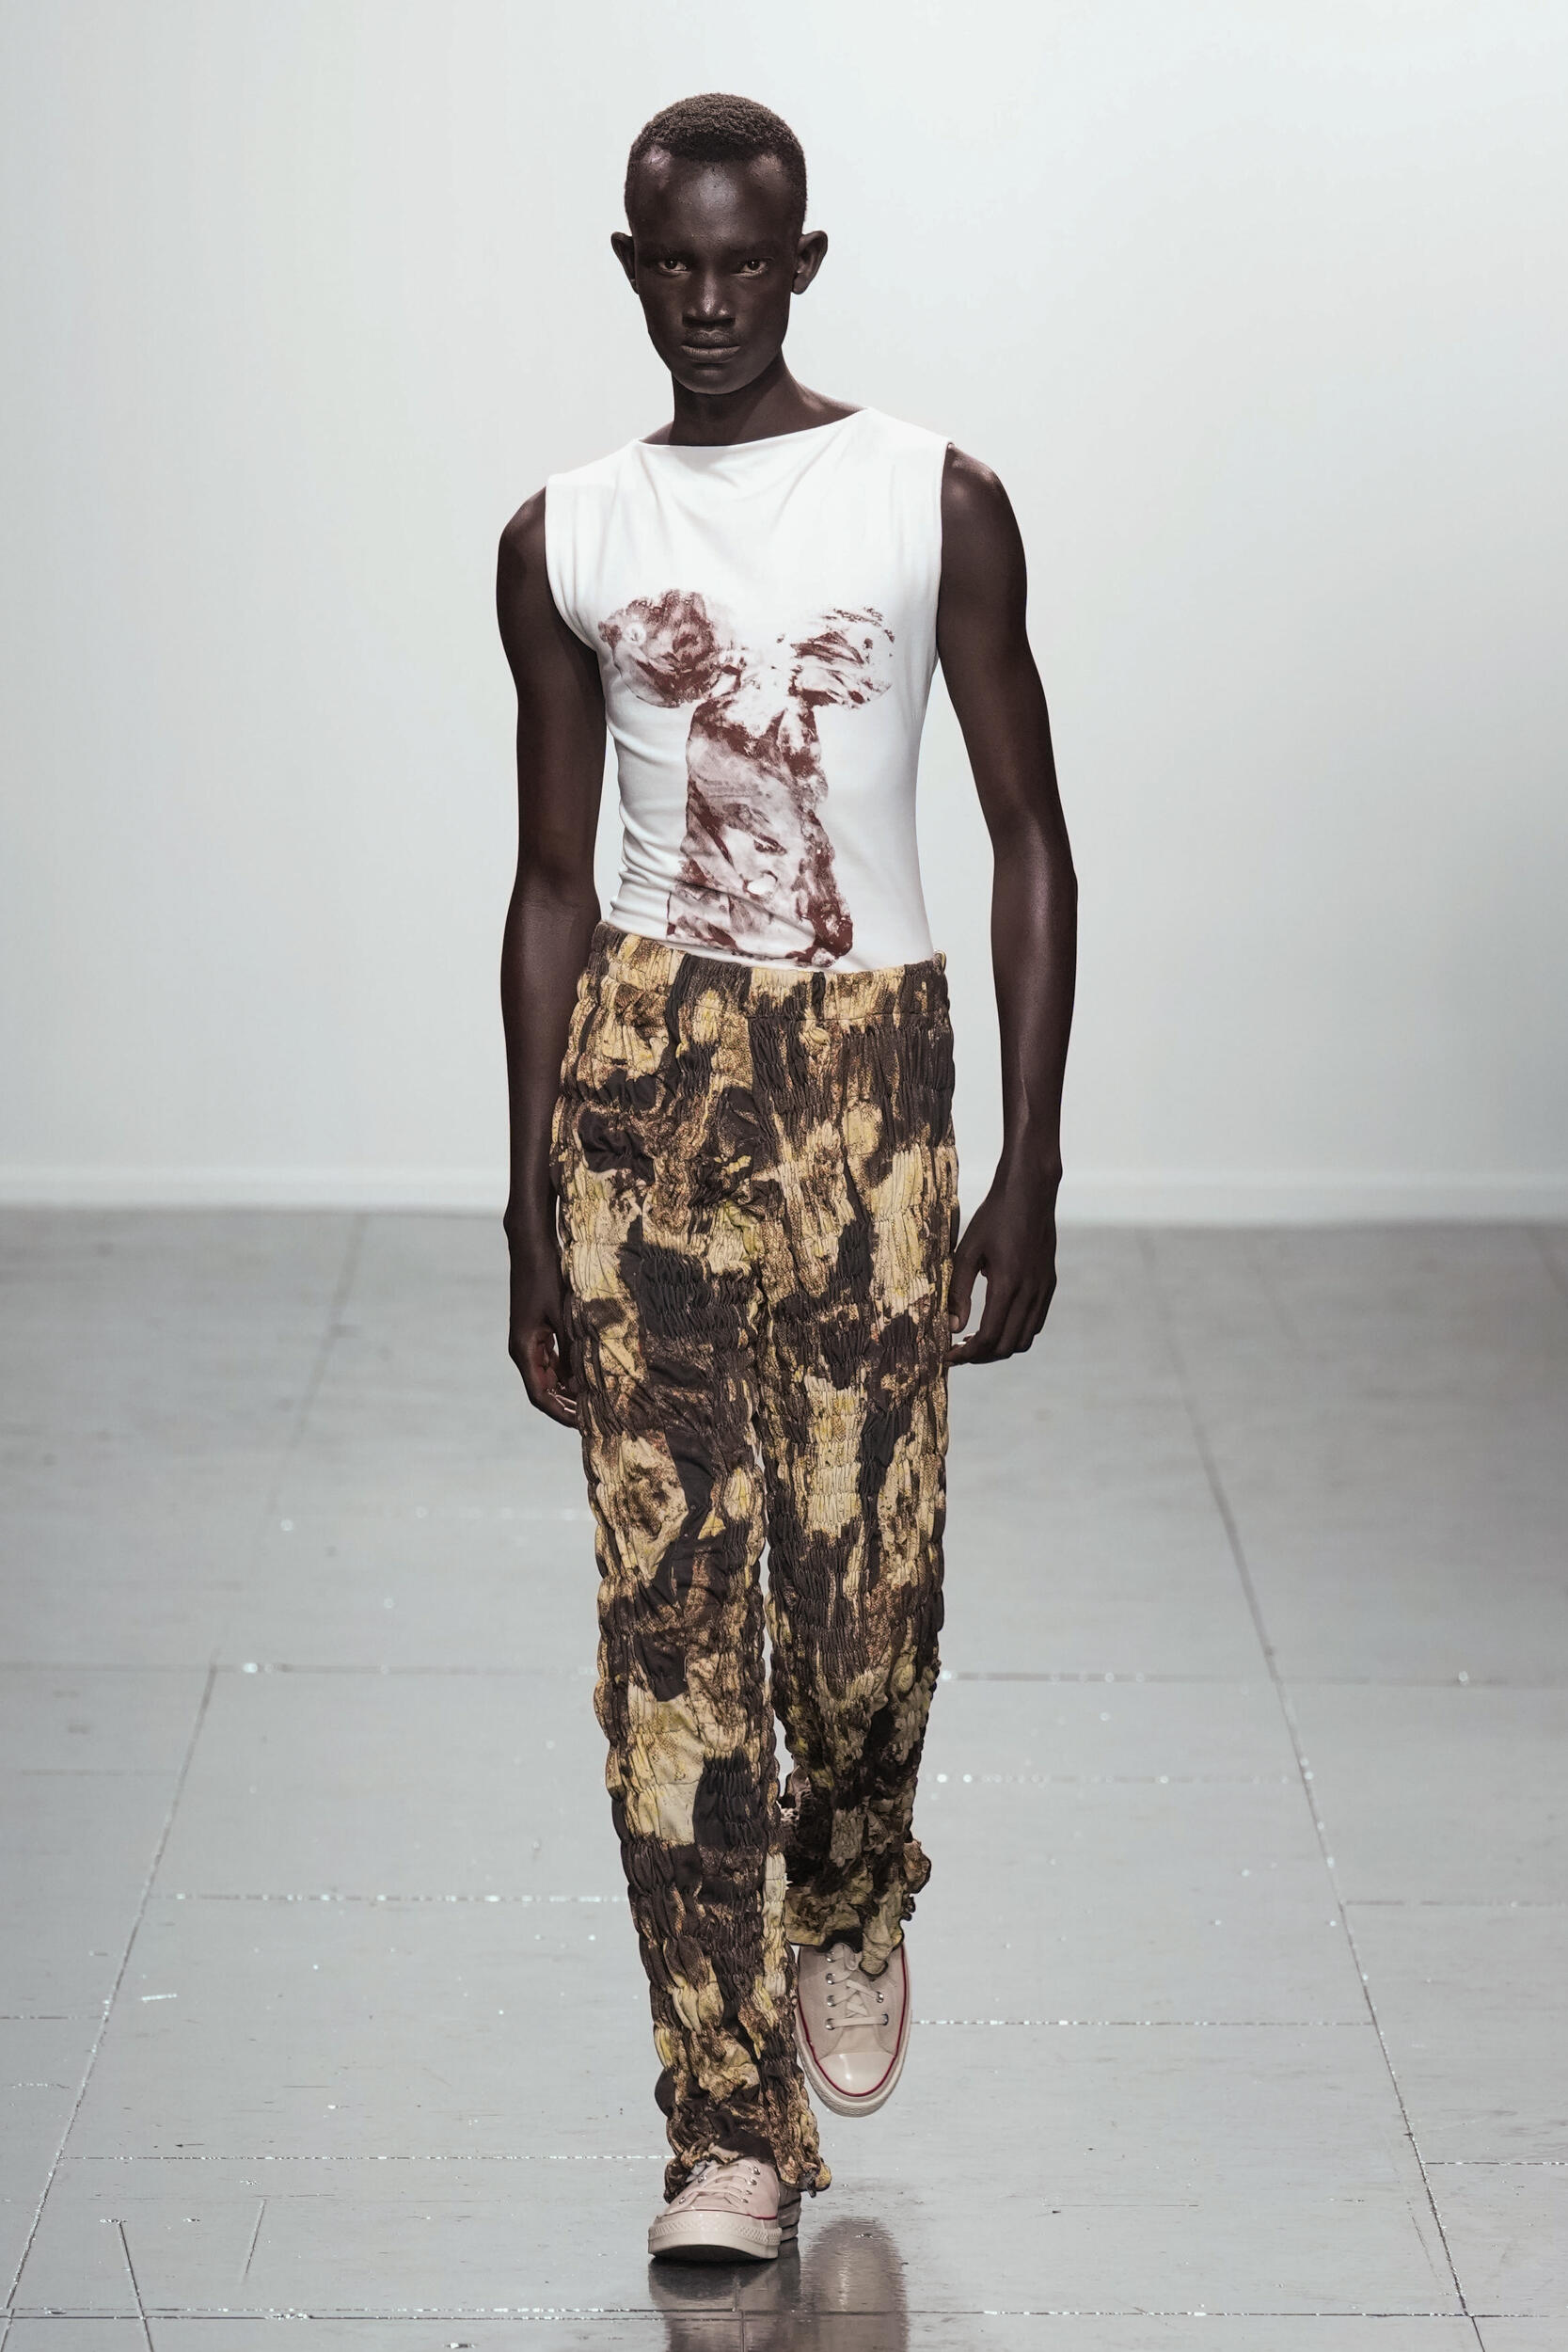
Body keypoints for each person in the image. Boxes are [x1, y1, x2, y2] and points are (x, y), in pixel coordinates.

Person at [497, 91, 1075, 2265]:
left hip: (865, 1072)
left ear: (804, 262)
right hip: (645, 1073)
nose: (712, 299)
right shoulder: (563, 534)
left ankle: (849, 1882)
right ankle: (721, 2126)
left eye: (748, 261)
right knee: (668, 1629)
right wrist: (528, 1194)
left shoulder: (937, 499)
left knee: (861, 1614)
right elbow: (551, 881)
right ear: (631, 265)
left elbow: (1029, 831)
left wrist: (1030, 1158)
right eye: (676, 263)